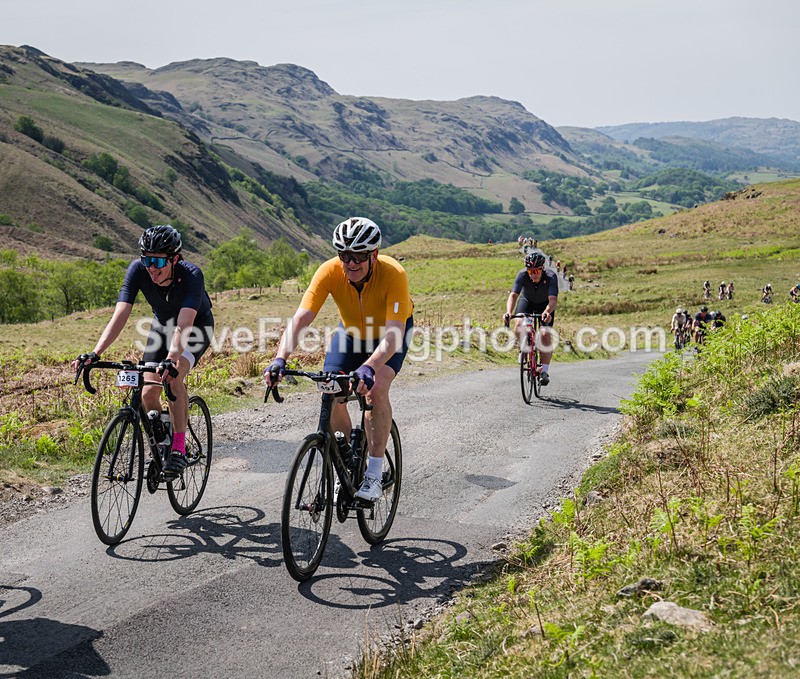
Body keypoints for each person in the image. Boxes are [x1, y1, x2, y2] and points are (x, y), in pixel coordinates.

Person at [264, 217, 413, 502]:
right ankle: (348, 462)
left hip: (389, 335)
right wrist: (280, 358)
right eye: (345, 255)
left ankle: (373, 474)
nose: (351, 263)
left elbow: (394, 335)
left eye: (359, 256)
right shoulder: (329, 271)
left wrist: (369, 366)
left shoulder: (394, 273)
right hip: (351, 333)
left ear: (374, 255)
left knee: (377, 388)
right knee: (329, 390)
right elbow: (302, 318)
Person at [71, 224, 214, 476]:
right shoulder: (138, 270)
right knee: (148, 393)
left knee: (174, 376)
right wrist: (96, 352)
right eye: (146, 259)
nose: (151, 268)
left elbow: (184, 324)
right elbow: (121, 313)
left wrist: (171, 359)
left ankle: (179, 447)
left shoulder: (192, 275)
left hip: (195, 328)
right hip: (162, 328)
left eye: (157, 262)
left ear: (175, 259)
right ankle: (163, 440)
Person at [503, 252, 559, 386]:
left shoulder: (551, 277)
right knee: (518, 325)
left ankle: (544, 371)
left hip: (545, 306)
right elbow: (513, 295)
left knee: (545, 334)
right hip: (526, 301)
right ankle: (524, 348)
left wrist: (547, 311)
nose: (533, 274)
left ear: (542, 269)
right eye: (530, 271)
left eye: (536, 271)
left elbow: (553, 299)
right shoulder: (522, 275)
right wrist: (508, 312)